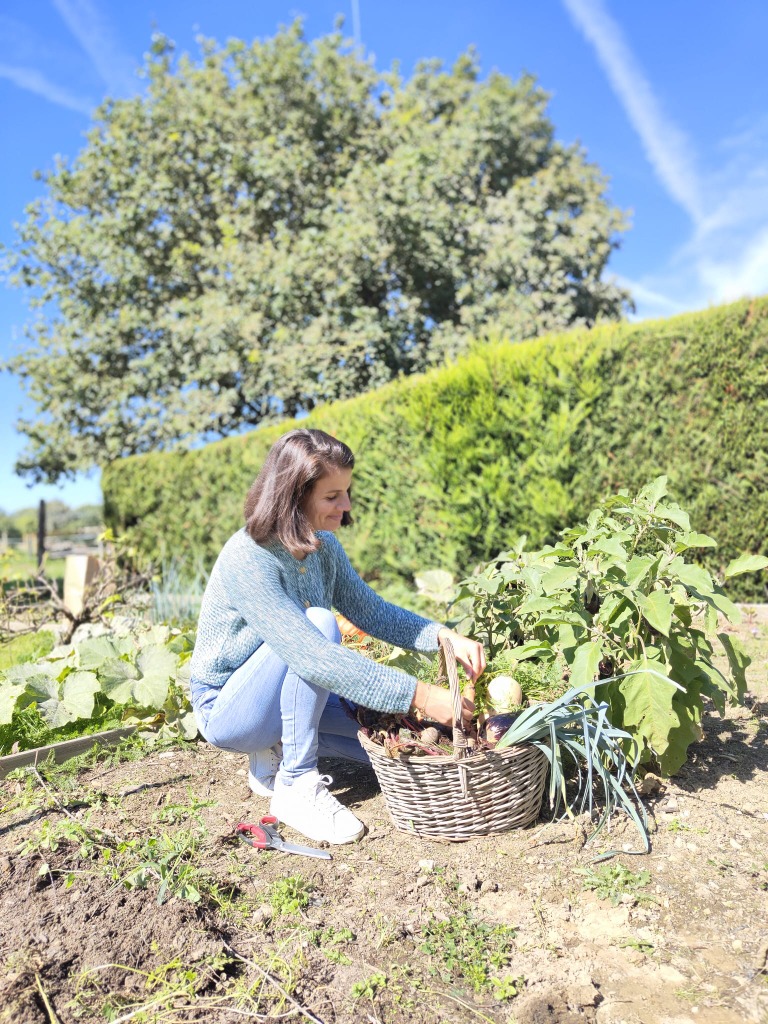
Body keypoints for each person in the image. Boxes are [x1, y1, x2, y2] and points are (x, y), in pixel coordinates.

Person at [189, 428, 486, 845]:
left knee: (387, 731)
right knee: (319, 624)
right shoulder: (249, 557)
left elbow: (373, 612)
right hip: (228, 709)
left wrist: (442, 637)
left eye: (346, 492)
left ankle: (274, 751)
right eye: (332, 496)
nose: (345, 506)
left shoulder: (323, 546)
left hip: (285, 688)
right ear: (294, 495)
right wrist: (423, 694)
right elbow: (312, 657)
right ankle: (295, 784)